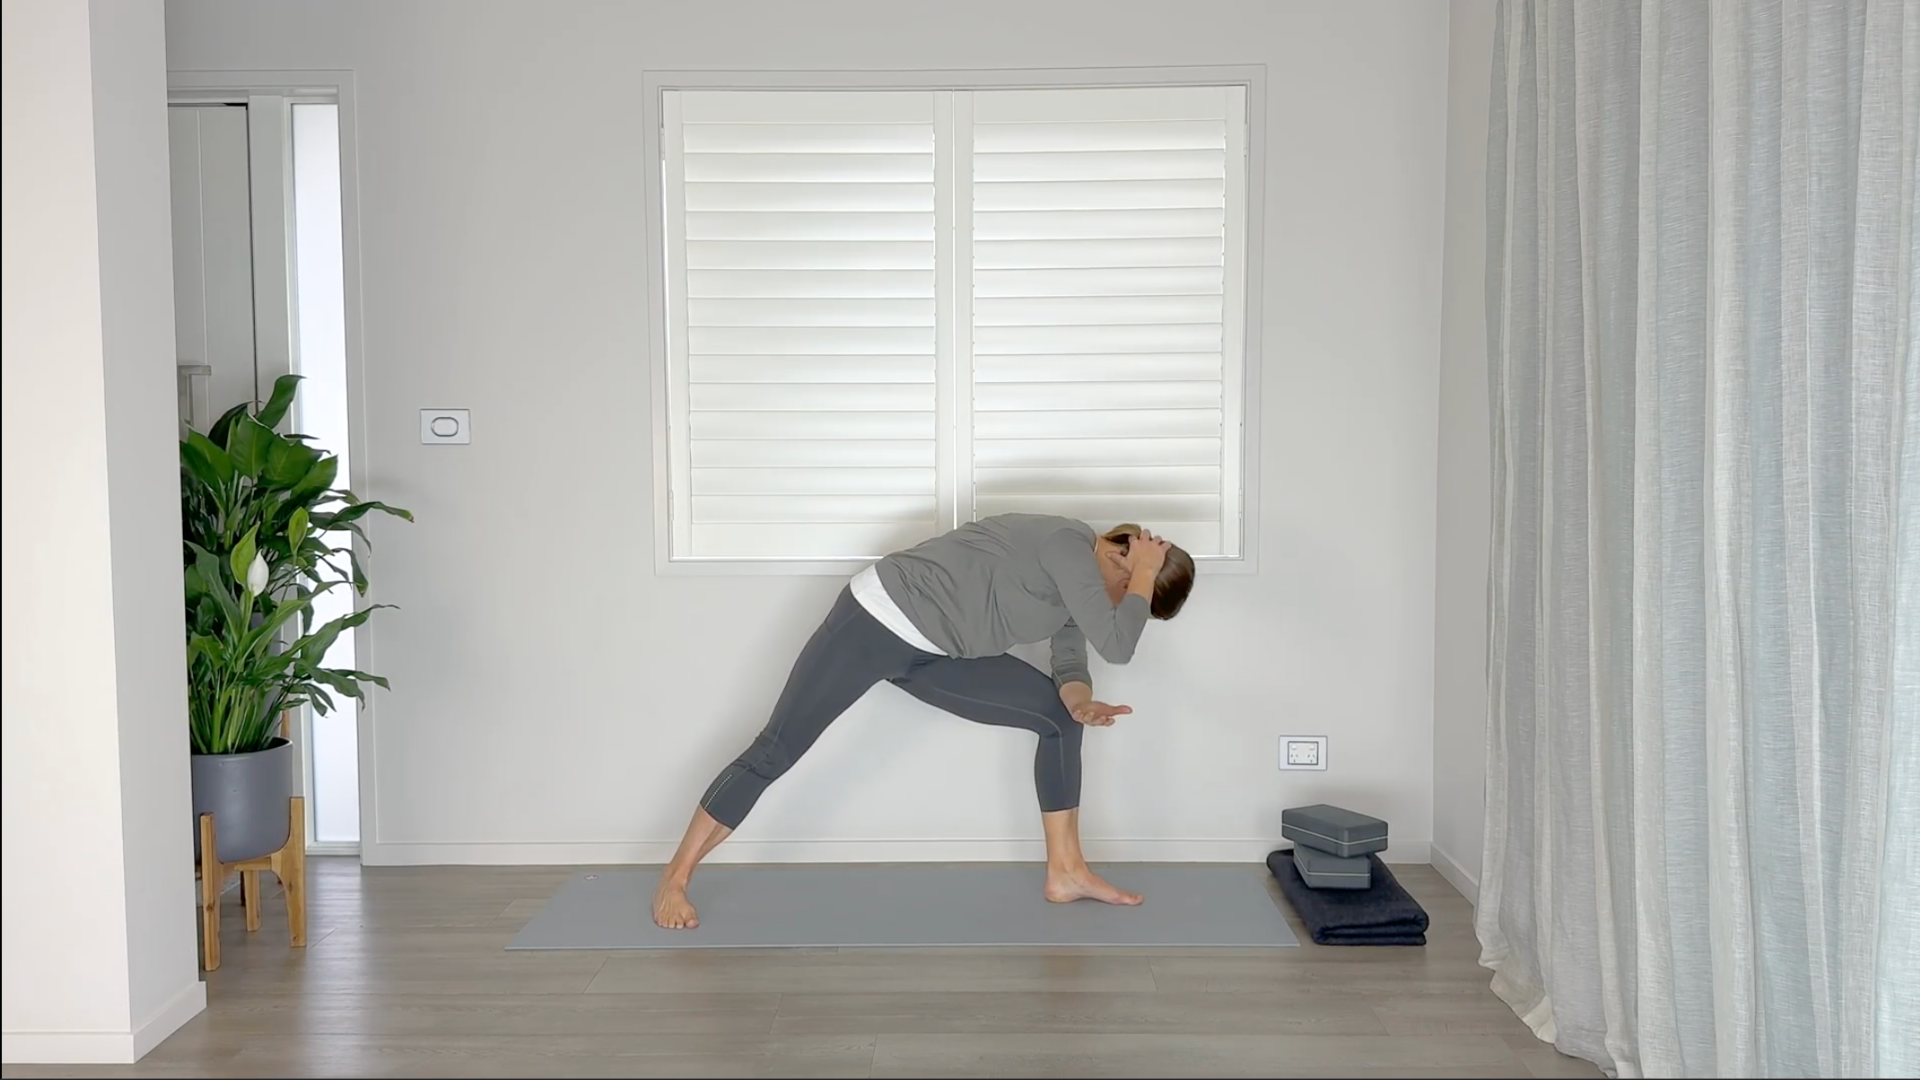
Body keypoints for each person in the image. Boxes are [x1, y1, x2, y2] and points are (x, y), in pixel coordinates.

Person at [652, 514, 1197, 929]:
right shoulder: (1067, 545)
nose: (1121, 608)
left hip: (937, 653)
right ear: (1125, 562)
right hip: (876, 620)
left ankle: (1067, 872)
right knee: (777, 749)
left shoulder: (1081, 588)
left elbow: (1071, 664)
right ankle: (674, 880)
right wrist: (1148, 572)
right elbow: (1119, 647)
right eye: (1132, 597)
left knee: (1058, 720)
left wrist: (1079, 703)